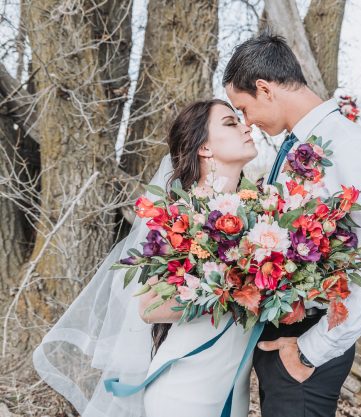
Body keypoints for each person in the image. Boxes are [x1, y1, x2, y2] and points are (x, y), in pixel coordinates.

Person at [33, 99, 258, 417]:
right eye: (230, 123)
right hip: (186, 391)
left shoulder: (262, 216)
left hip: (233, 391)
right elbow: (150, 307)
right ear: (204, 148)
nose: (246, 127)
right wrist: (236, 289)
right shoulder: (180, 218)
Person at [223, 33, 361, 417]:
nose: (247, 122)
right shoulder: (298, 144)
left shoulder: (347, 145)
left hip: (309, 339)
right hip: (283, 336)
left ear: (264, 89)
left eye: (243, 108)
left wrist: (310, 350)